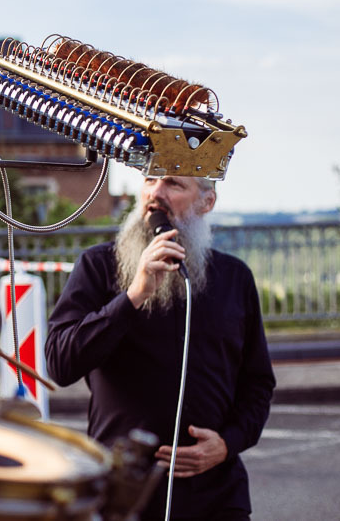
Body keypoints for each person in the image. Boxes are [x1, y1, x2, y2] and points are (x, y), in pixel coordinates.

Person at [45, 176, 275, 520]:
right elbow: (60, 364)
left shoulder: (234, 277)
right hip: (122, 493)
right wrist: (133, 295)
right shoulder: (98, 266)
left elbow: (257, 384)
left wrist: (227, 444)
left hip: (215, 494)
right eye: (150, 179)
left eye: (174, 184)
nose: (155, 193)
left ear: (206, 203)